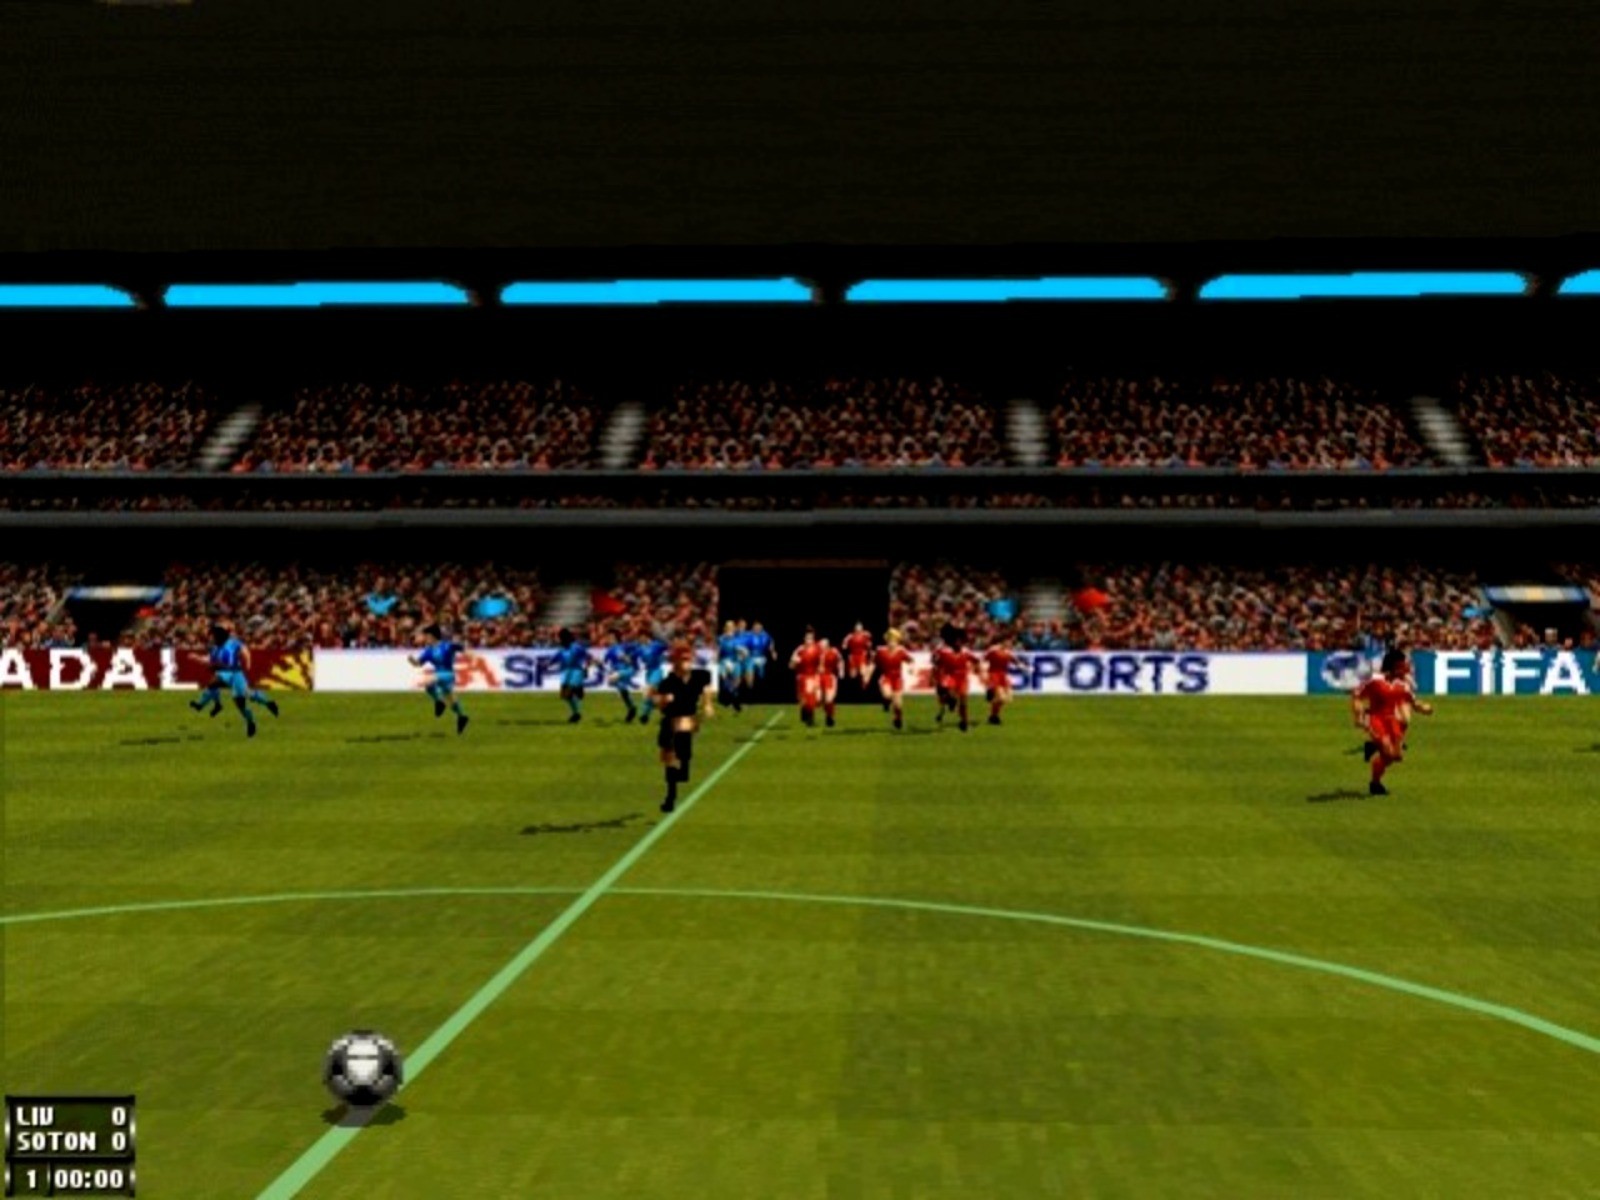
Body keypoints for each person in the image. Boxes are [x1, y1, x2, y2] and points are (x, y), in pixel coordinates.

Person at [1352, 648, 1434, 795]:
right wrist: (1358, 715)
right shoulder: (1375, 680)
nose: (1406, 669)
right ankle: (1375, 784)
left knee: (1395, 756)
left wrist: (1425, 708)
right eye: (1402, 666)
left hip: (1391, 720)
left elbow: (1414, 703)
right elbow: (1357, 695)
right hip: (1375, 718)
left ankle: (1373, 753)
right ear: (1394, 666)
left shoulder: (1403, 685)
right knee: (1387, 751)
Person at [652, 642, 716, 813]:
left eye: (688, 659)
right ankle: (670, 796)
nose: (686, 663)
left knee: (683, 752)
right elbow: (659, 704)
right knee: (669, 757)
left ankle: (683, 769)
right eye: (682, 660)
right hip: (671, 720)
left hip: (688, 718)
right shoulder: (668, 682)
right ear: (675, 662)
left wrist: (708, 704)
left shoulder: (700, 676)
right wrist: (663, 700)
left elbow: (707, 690)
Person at [191, 623, 280, 738]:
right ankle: (201, 705)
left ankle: (265, 706)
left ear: (220, 635)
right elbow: (209, 660)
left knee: (243, 699)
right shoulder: (215, 649)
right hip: (224, 673)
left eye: (213, 635)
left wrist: (248, 662)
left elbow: (244, 650)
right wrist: (197, 658)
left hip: (235, 673)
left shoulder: (233, 643)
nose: (212, 638)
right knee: (214, 684)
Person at [409, 623, 468, 734]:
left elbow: (462, 648)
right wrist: (412, 660)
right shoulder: (428, 650)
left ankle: (439, 702)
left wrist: (472, 655)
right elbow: (418, 664)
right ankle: (462, 717)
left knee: (428, 681)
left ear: (431, 636)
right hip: (438, 675)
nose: (424, 638)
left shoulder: (447, 645)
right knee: (451, 700)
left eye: (426, 636)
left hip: (448, 675)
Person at [932, 625, 978, 732]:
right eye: (956, 640)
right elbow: (935, 663)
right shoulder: (943, 651)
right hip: (950, 676)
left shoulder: (966, 651)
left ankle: (964, 721)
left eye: (960, 640)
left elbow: (976, 661)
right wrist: (935, 676)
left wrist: (977, 669)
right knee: (950, 695)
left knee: (963, 701)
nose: (958, 643)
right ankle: (947, 703)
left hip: (963, 678)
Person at [874, 627, 912, 730]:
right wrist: (867, 675)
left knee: (898, 705)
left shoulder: (901, 651)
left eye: (894, 640)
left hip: (897, 679)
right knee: (887, 695)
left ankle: (898, 719)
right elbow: (873, 662)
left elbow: (910, 660)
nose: (892, 643)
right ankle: (886, 702)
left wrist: (911, 668)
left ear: (897, 641)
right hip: (886, 677)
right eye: (890, 640)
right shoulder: (880, 650)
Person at [790, 627, 824, 726]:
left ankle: (810, 718)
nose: (809, 640)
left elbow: (822, 662)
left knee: (813, 697)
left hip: (813, 676)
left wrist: (820, 668)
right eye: (807, 638)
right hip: (802, 677)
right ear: (804, 639)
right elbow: (791, 666)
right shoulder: (799, 649)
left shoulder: (818, 649)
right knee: (803, 698)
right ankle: (806, 713)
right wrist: (795, 661)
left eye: (811, 638)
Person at [602, 635, 641, 722]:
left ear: (616, 640)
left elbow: (624, 654)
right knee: (623, 691)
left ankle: (632, 706)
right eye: (608, 638)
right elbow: (604, 662)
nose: (609, 640)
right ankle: (632, 708)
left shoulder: (618, 647)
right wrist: (597, 662)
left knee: (612, 679)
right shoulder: (609, 651)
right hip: (619, 672)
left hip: (625, 670)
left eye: (611, 638)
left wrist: (627, 659)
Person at [635, 629, 668, 726]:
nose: (640, 639)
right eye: (639, 637)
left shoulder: (656, 645)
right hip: (649, 673)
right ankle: (646, 715)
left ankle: (645, 713)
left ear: (646, 636)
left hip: (657, 671)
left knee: (648, 692)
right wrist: (635, 666)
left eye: (641, 637)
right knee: (653, 696)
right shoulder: (640, 648)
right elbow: (633, 658)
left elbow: (667, 647)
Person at [983, 636, 1019, 725]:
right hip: (994, 675)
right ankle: (994, 716)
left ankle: (993, 716)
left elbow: (1015, 661)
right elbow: (983, 659)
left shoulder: (1007, 652)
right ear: (1003, 641)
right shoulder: (993, 650)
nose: (1010, 644)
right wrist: (984, 674)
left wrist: (1025, 667)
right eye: (1009, 642)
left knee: (1008, 697)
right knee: (1001, 698)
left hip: (1003, 676)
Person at [556, 627, 589, 724]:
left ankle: (576, 713)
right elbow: (555, 657)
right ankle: (576, 713)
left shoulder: (576, 647)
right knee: (565, 695)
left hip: (576, 672)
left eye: (559, 638)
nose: (559, 640)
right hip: (567, 673)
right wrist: (547, 664)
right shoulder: (562, 649)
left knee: (568, 694)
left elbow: (587, 656)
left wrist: (586, 668)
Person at [717, 620, 746, 713]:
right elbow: (718, 653)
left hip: (734, 662)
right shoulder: (720, 639)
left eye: (732, 627)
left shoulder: (737, 640)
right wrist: (719, 661)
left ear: (734, 628)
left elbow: (743, 652)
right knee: (725, 682)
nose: (730, 629)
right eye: (728, 627)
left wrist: (742, 655)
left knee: (736, 683)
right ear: (725, 628)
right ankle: (733, 703)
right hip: (724, 662)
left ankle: (734, 703)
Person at [818, 637, 843, 727]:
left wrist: (841, 671)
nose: (821, 646)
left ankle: (829, 716)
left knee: (829, 699)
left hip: (829, 677)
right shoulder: (816, 652)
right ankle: (827, 714)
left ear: (828, 645)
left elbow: (840, 660)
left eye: (823, 644)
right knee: (819, 699)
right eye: (820, 644)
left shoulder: (834, 651)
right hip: (818, 677)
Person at [842, 622, 874, 688]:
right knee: (853, 675)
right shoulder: (850, 636)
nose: (858, 628)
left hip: (862, 655)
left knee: (863, 672)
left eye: (860, 627)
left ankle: (865, 682)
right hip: (853, 656)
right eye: (857, 627)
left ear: (862, 628)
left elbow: (870, 645)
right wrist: (845, 641)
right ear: (854, 628)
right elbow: (844, 647)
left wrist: (870, 651)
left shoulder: (866, 635)